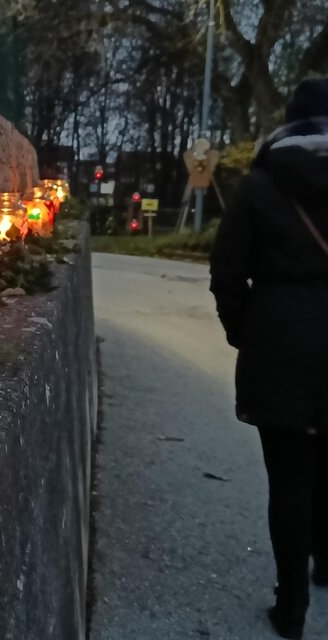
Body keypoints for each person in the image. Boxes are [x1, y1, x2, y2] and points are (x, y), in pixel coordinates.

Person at [210, 77, 328, 639]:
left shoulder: (260, 185)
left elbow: (227, 272)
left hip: (281, 341)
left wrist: (245, 332)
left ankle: (292, 606)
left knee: (289, 477)